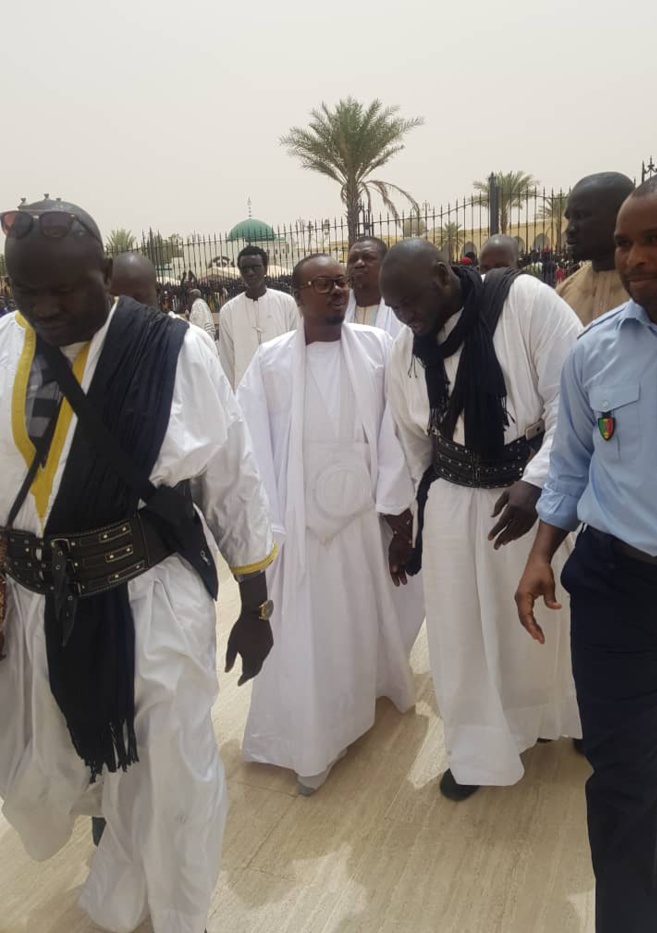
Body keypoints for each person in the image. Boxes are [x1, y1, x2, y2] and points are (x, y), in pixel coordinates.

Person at [0, 197, 277, 933]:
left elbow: (231, 478)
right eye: (29, 292)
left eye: (67, 288)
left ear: (105, 273)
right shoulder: (2, 345)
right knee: (90, 772)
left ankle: (184, 917)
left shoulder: (171, 348)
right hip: (37, 608)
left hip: (149, 597)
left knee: (177, 776)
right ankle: (121, 897)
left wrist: (256, 604)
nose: (49, 306)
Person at [516, 169, 657, 933]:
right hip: (618, 588)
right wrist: (539, 553)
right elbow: (569, 465)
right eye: (624, 241)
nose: (632, 256)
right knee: (622, 781)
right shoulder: (591, 352)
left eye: (655, 238)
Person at [383, 239, 582, 801]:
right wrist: (415, 528)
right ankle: (474, 751)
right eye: (395, 309)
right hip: (452, 502)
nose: (405, 319)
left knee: (540, 626)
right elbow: (413, 443)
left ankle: (546, 720)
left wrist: (537, 483)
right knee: (459, 634)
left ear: (445, 275)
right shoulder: (405, 349)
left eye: (412, 304)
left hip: (529, 500)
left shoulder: (525, 302)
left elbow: (572, 401)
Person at [236, 253, 419, 794]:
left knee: (358, 616)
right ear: (297, 295)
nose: (338, 290)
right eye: (322, 284)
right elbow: (250, 446)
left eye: (341, 282)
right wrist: (267, 529)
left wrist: (395, 508)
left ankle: (362, 702)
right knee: (305, 631)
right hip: (297, 519)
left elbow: (397, 426)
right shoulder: (268, 363)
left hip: (360, 515)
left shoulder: (378, 349)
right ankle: (310, 740)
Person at [557, 172, 635, 324]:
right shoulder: (563, 294)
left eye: (581, 216)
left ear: (621, 217)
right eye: (569, 218)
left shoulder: (655, 294)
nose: (570, 229)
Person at [218, 246, 298, 389]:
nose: (250, 273)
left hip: (283, 387)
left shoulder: (286, 303)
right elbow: (227, 360)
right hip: (246, 391)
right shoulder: (228, 312)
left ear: (265, 269)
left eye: (255, 267)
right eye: (245, 269)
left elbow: (296, 348)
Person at [346, 236, 404, 338]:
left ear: (385, 265)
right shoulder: (338, 308)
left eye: (368, 257)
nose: (359, 263)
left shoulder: (403, 311)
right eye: (353, 259)